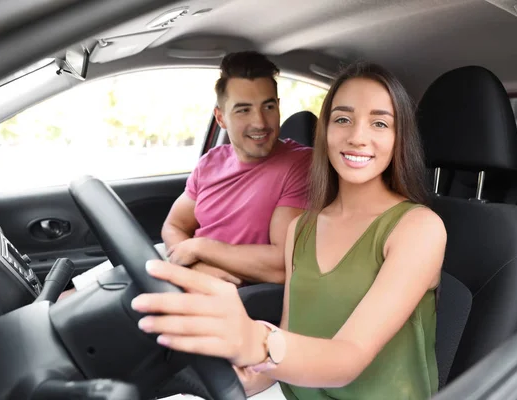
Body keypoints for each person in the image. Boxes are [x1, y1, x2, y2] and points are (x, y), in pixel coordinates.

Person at [130, 61, 446, 400]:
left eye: (380, 123)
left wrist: (256, 342)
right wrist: (246, 370)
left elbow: (348, 358)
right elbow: (289, 338)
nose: (357, 137)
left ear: (400, 138)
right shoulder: (301, 229)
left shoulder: (418, 229)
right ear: (324, 130)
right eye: (342, 119)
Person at [65, 51, 312, 294]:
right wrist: (196, 266)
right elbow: (174, 225)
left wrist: (201, 248)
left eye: (268, 106)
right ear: (221, 118)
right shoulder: (211, 162)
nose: (260, 122)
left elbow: (282, 265)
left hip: (230, 297)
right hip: (185, 271)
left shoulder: (300, 165)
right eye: (243, 110)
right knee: (69, 297)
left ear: (278, 106)